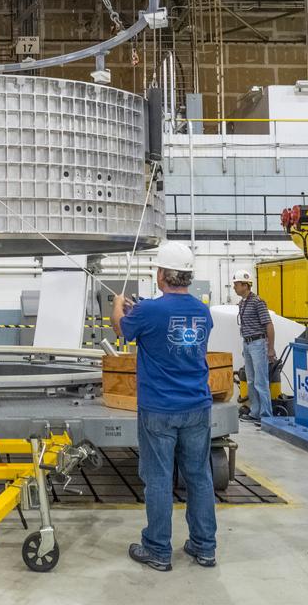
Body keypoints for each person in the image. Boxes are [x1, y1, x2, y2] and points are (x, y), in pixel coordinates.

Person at [111, 241, 217, 571]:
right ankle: (204, 547)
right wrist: (137, 311)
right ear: (186, 276)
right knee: (199, 476)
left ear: (161, 275)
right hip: (197, 406)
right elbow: (171, 327)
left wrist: (118, 306)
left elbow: (121, 330)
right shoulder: (203, 311)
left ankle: (157, 549)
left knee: (158, 478)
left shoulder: (149, 311)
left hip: (159, 408)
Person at [232, 269, 276, 424]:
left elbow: (268, 325)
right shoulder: (242, 303)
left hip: (258, 344)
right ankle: (255, 412)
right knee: (251, 380)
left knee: (261, 381)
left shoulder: (258, 302)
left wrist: (270, 348)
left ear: (246, 284)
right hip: (248, 343)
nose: (234, 287)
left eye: (236, 284)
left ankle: (266, 415)